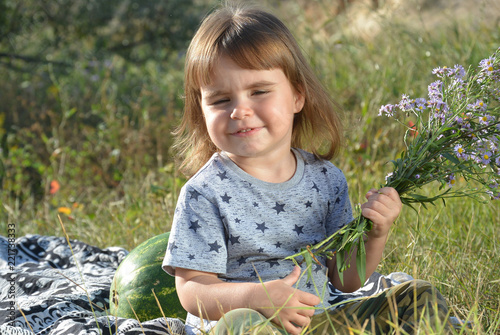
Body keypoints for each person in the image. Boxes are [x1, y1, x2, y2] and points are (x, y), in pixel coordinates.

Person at [163, 3, 449, 334]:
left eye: (259, 91)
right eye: (220, 100)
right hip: (252, 326)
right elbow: (192, 291)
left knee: (419, 297)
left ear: (297, 96)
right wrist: (256, 298)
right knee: (240, 325)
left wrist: (375, 234)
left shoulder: (325, 179)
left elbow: (345, 280)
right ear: (201, 109)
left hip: (321, 323)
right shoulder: (204, 193)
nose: (239, 110)